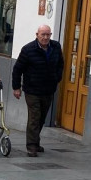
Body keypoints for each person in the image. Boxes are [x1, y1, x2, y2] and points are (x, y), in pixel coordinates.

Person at [11, 24, 64, 157]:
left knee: (41, 118)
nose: (46, 37)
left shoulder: (56, 47)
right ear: (37, 35)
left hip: (48, 89)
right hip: (32, 90)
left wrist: (57, 78)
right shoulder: (28, 49)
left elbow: (60, 64)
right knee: (34, 117)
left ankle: (36, 141)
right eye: (43, 35)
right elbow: (17, 69)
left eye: (48, 35)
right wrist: (16, 87)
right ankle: (31, 146)